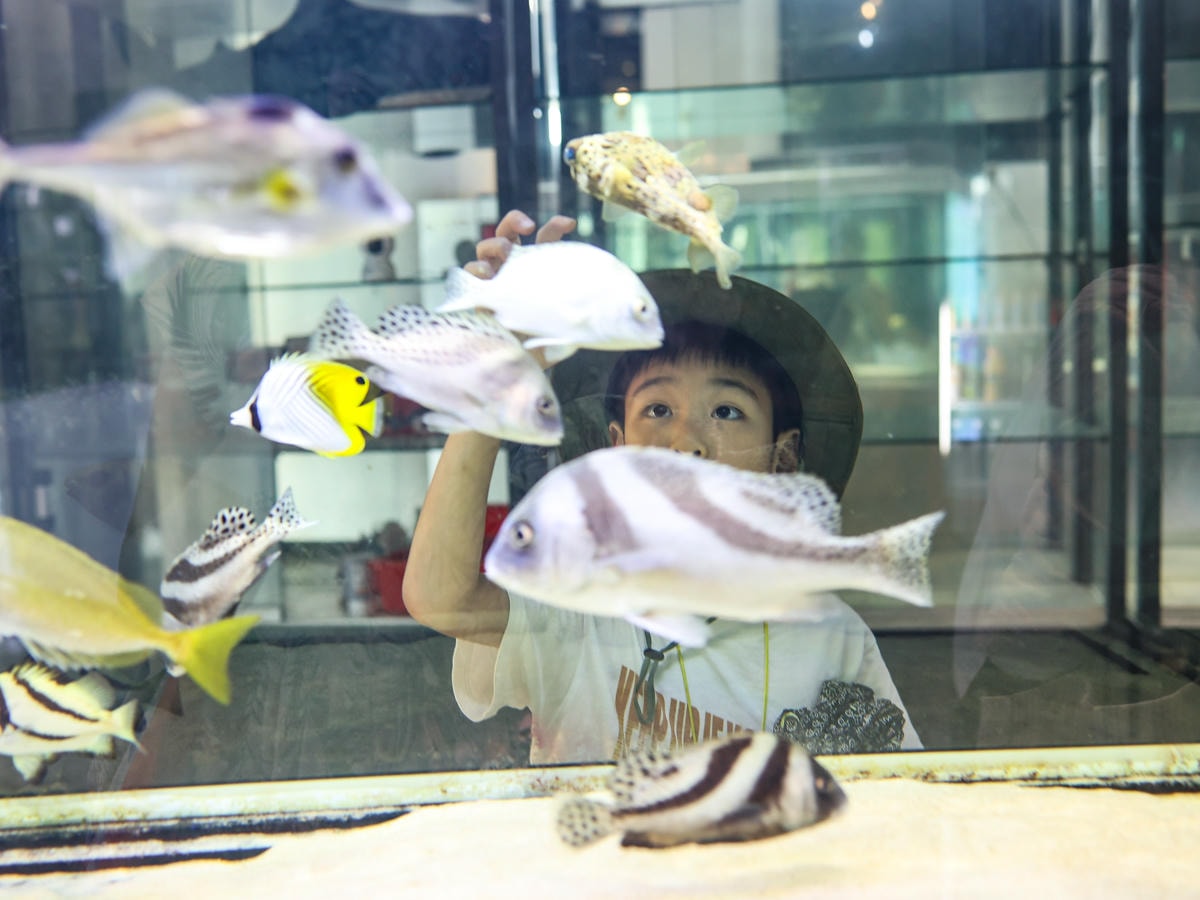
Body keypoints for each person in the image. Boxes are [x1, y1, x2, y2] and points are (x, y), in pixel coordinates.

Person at [404, 210, 922, 764]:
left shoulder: (831, 635)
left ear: (783, 459)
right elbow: (442, 600)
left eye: (726, 411)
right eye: (657, 409)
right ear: (615, 449)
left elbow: (894, 788)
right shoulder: (577, 597)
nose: (686, 443)